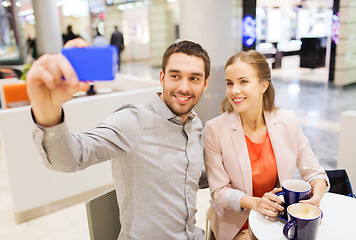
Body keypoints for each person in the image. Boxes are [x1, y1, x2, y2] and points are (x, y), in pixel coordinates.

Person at [27, 38, 210, 240]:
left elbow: (187, 175)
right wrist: (47, 109)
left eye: (194, 78)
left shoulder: (195, 124)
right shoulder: (132, 121)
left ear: (205, 84)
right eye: (175, 76)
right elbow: (71, 158)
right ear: (162, 77)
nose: (184, 87)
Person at [203, 50, 329, 240]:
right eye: (230, 83)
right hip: (238, 224)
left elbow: (314, 172)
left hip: (277, 222)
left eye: (243, 81)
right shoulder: (215, 129)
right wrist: (255, 203)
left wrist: (317, 192)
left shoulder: (287, 120)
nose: (234, 90)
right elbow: (219, 192)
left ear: (264, 85)